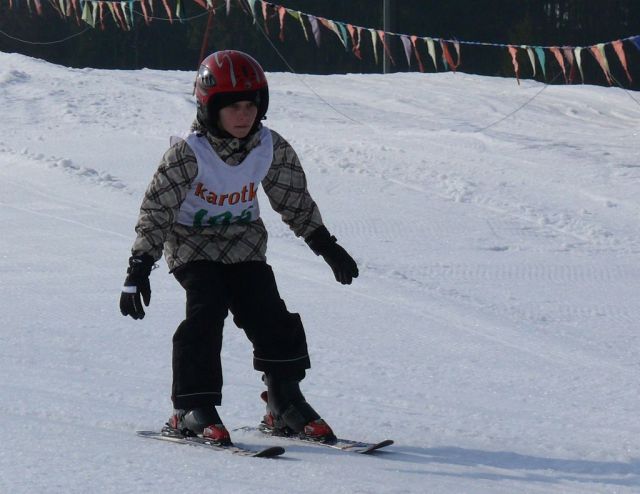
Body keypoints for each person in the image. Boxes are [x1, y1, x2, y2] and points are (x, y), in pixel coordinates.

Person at [119, 50, 359, 445]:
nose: (243, 116)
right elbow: (157, 210)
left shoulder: (269, 147)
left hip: (244, 245)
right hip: (192, 247)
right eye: (232, 107)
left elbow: (293, 199)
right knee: (206, 312)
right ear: (209, 108)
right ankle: (191, 409)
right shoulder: (187, 154)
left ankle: (284, 400)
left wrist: (325, 244)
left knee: (270, 314)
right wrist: (138, 267)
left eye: (250, 106)